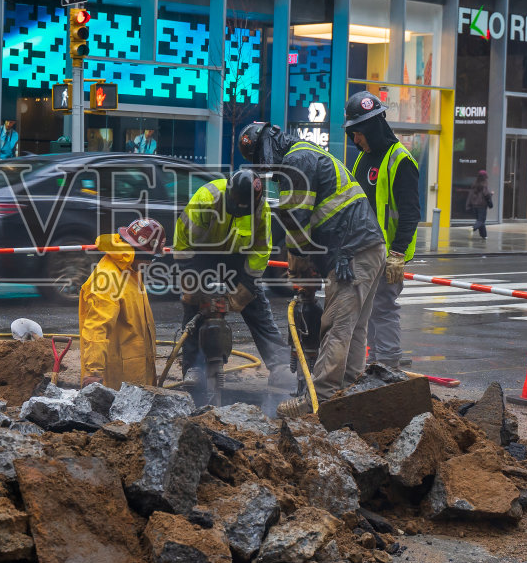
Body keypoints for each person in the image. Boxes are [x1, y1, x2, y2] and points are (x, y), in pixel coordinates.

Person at [238, 122, 385, 402]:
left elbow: (294, 221)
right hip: (365, 246)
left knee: (336, 327)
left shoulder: (296, 161)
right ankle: (349, 393)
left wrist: (301, 271)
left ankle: (320, 399)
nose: (262, 167)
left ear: (268, 144)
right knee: (353, 329)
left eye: (259, 158)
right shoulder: (309, 154)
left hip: (350, 252)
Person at [173, 168, 291, 388]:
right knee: (193, 308)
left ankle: (280, 366)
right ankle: (192, 369)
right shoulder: (206, 198)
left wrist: (246, 288)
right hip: (202, 254)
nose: (237, 211)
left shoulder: (260, 210)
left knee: (258, 308)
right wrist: (192, 282)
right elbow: (183, 244)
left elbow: (261, 251)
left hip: (238, 257)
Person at [345, 91, 422, 372]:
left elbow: (411, 213)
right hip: (366, 251)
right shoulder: (363, 159)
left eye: (359, 133)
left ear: (372, 128)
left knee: (383, 308)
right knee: (368, 312)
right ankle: (376, 365)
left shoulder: (400, 160)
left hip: (388, 252)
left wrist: (397, 253)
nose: (355, 140)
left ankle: (387, 367)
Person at [79, 217, 165, 388]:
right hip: (116, 382)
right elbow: (96, 328)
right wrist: (93, 373)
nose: (150, 263)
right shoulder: (109, 278)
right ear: (139, 252)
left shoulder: (131, 270)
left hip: (134, 377)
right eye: (150, 258)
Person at [466, 170, 493, 239]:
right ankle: (473, 228)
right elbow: (486, 194)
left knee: (480, 220)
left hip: (474, 205)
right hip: (482, 205)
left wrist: (469, 204)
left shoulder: (475, 183)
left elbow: (470, 194)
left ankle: (484, 235)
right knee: (481, 220)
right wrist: (491, 194)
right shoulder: (484, 183)